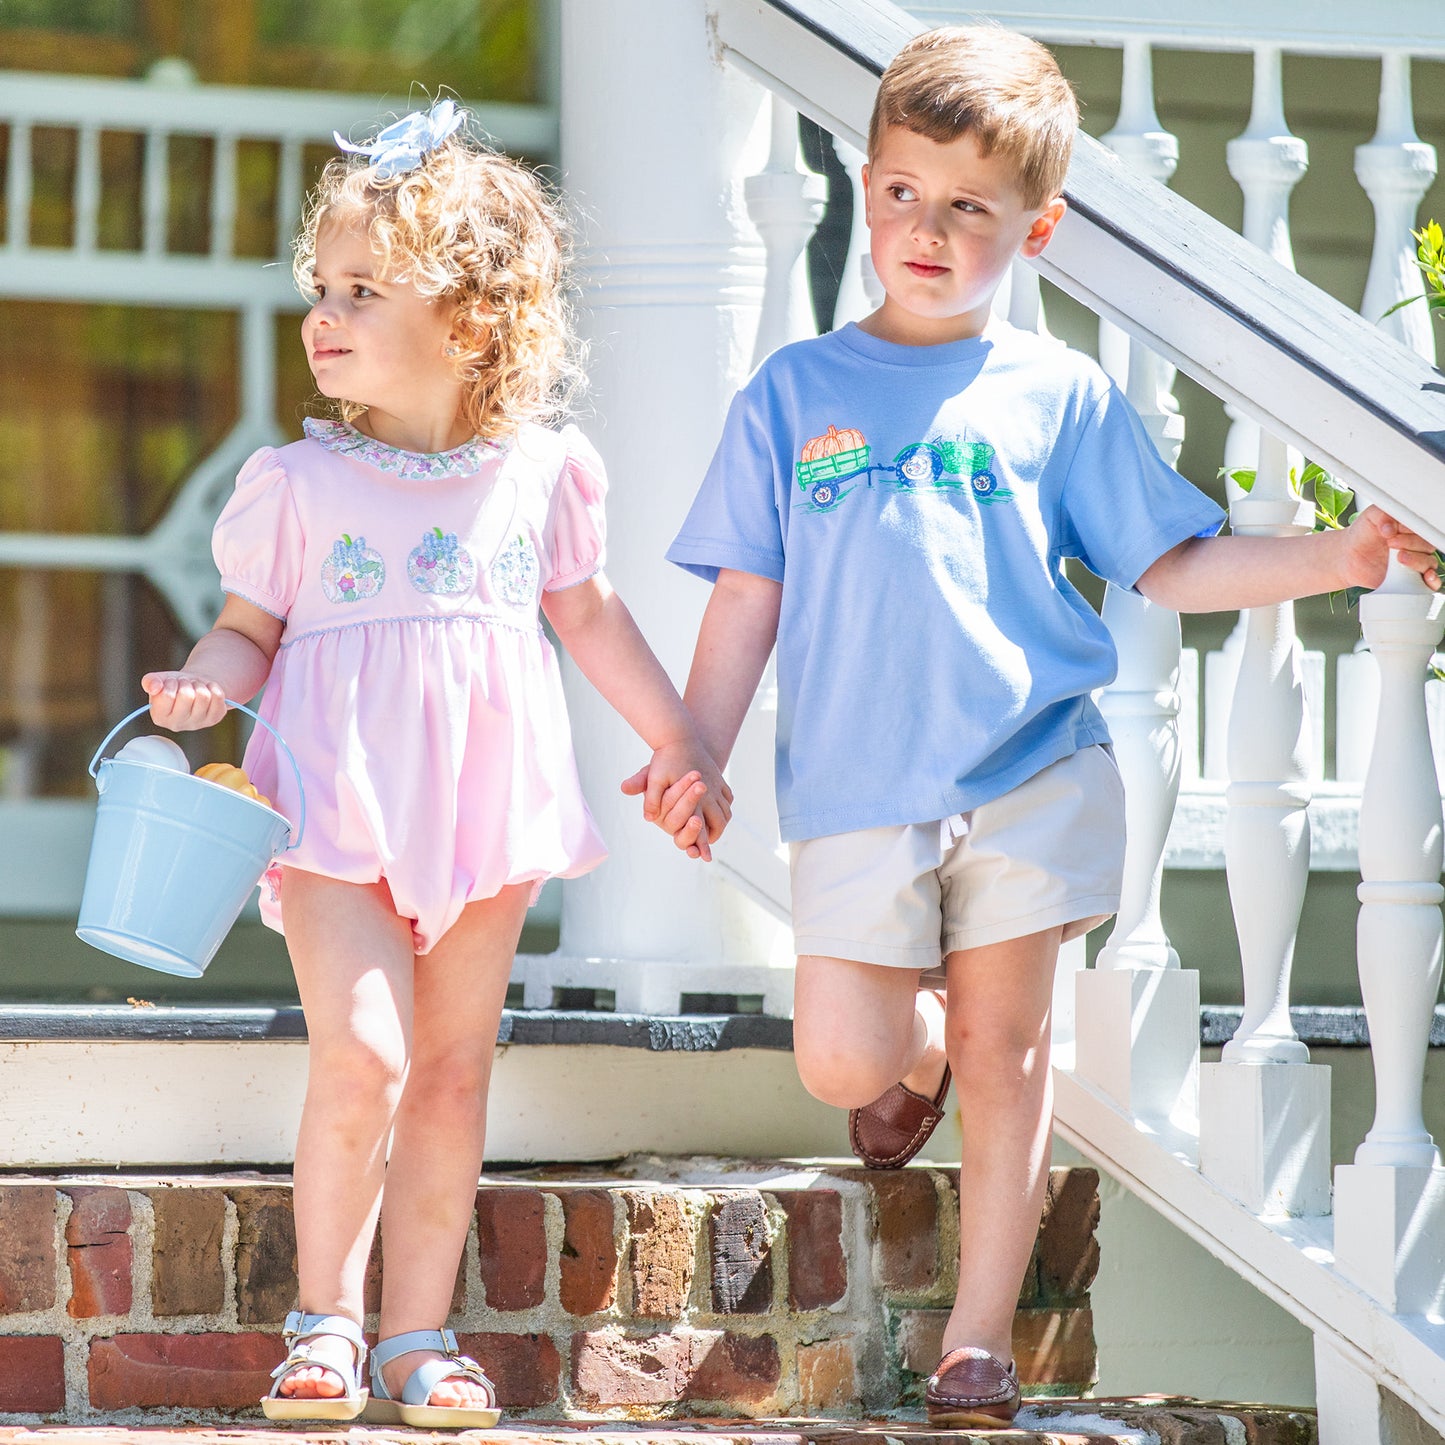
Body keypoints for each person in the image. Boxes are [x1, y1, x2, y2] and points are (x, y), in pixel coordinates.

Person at [649, 25, 1441, 1429]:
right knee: (841, 1054)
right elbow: (744, 600)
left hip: (1033, 770)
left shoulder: (1057, 395)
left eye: (969, 207)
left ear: (1038, 226)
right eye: (902, 193)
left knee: (1017, 1055)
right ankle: (926, 1035)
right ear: (864, 182)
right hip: (853, 786)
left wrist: (1336, 558)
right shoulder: (795, 392)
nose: (928, 231)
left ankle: (977, 1335)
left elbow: (1171, 565)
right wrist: (698, 746)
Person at [142, 101, 726, 1427]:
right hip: (334, 806)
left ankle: (415, 1332)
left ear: (469, 320)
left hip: (482, 805)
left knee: (454, 1067)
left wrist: (676, 733)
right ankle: (323, 1321)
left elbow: (586, 613)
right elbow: (246, 632)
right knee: (362, 1053)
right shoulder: (295, 484)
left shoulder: (539, 474)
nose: (322, 314)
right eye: (321, 288)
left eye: (362, 289)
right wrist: (202, 689)